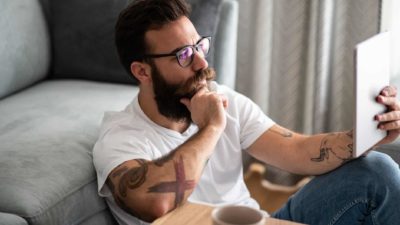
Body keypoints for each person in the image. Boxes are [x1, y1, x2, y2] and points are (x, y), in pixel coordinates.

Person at [92, 0, 400, 224]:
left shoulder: (224, 99)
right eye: (183, 55)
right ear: (142, 71)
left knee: (376, 171)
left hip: (261, 222)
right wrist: (211, 128)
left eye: (199, 46)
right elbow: (156, 203)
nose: (201, 63)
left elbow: (296, 150)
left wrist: (362, 136)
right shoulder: (120, 139)